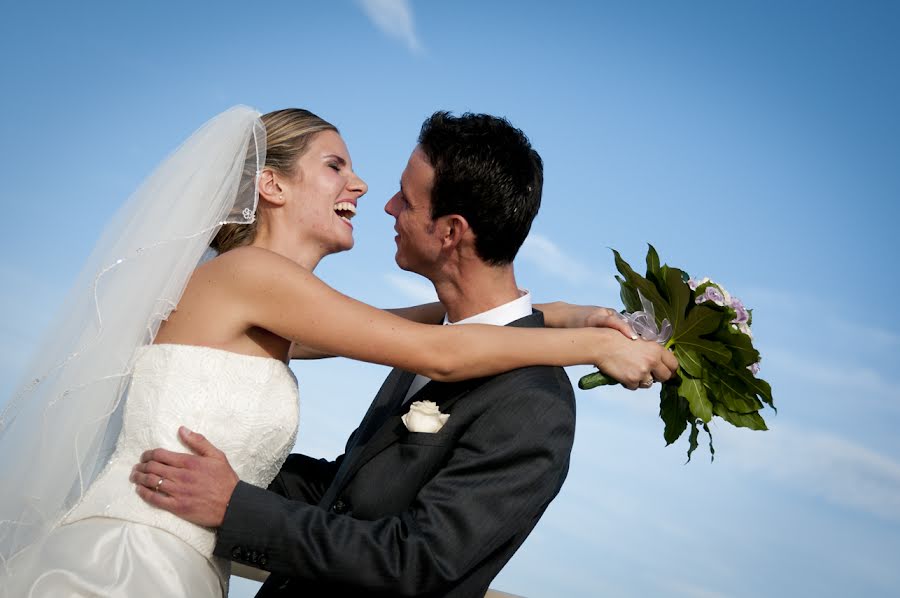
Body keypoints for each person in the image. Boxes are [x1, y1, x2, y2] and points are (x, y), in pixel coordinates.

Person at [132, 111, 679, 597]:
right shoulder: (429, 345)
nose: (384, 203)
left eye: (406, 199)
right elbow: (349, 488)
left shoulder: (533, 399)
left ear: (450, 232)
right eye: (336, 167)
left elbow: (422, 563)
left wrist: (237, 505)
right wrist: (576, 327)